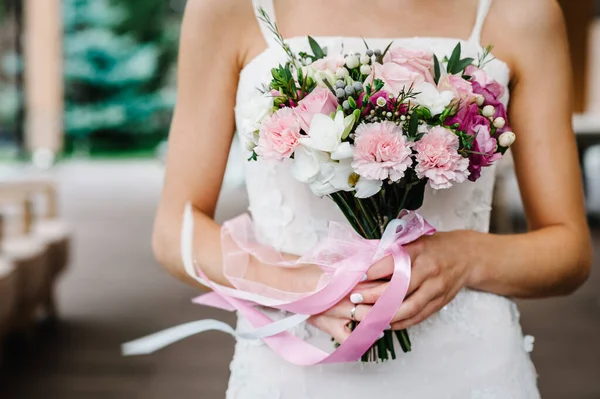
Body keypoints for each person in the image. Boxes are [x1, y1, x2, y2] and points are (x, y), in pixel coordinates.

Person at [152, 0, 592, 397]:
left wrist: (465, 256)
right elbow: (174, 231)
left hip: (470, 367)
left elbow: (568, 251)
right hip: (294, 368)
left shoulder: (522, 11)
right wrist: (302, 286)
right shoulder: (227, 8)